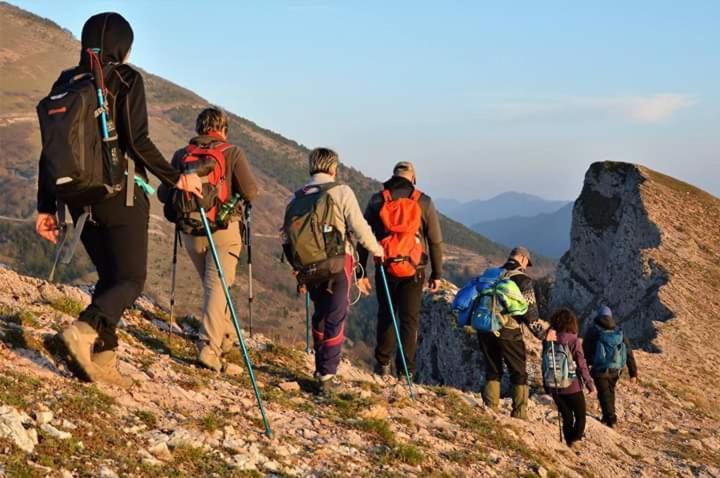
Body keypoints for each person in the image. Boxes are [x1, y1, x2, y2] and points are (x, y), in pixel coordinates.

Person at [35, 12, 202, 388]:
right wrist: (179, 179)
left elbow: (49, 152)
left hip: (77, 198)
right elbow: (137, 141)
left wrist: (46, 207)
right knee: (131, 279)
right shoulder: (125, 79)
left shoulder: (65, 82)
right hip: (119, 195)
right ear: (124, 48)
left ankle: (103, 360)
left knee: (111, 279)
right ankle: (82, 330)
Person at [161, 108, 258, 371]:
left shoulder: (182, 155)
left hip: (191, 232)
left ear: (199, 128)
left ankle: (226, 337)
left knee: (216, 286)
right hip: (222, 230)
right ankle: (209, 347)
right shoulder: (231, 152)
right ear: (223, 129)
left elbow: (163, 192)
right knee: (217, 287)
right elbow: (250, 191)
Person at [284, 148, 383, 395]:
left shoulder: (295, 199)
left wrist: (298, 270)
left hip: (308, 267)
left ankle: (321, 370)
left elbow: (287, 239)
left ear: (311, 167)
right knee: (336, 316)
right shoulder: (341, 191)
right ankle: (327, 376)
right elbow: (359, 227)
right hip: (337, 263)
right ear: (333, 168)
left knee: (321, 314)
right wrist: (377, 250)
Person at [356, 161, 443, 380]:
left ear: (393, 176)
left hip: (385, 267)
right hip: (415, 270)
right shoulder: (423, 201)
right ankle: (406, 372)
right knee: (409, 320)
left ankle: (383, 365)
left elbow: (363, 237)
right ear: (413, 178)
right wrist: (437, 273)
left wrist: (361, 272)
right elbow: (435, 240)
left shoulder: (378, 199)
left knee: (386, 315)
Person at [477, 246, 550, 419]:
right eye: (527, 263)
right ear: (523, 259)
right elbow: (530, 314)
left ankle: (490, 409)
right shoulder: (523, 280)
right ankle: (519, 413)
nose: (526, 267)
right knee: (519, 372)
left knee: (493, 369)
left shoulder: (491, 274)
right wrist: (542, 335)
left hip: (485, 327)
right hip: (509, 331)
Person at [544, 308, 595, 447]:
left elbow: (544, 363)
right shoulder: (574, 340)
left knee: (567, 417)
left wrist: (547, 385)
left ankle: (568, 443)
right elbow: (581, 364)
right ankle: (574, 442)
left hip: (554, 386)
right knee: (580, 416)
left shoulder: (549, 339)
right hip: (572, 387)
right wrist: (589, 384)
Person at [583, 305, 638, 428]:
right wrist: (633, 373)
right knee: (610, 392)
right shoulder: (618, 331)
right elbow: (628, 352)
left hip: (599, 367)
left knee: (604, 393)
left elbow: (585, 350)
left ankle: (611, 419)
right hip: (616, 368)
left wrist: (584, 369)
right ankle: (607, 416)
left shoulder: (593, 330)